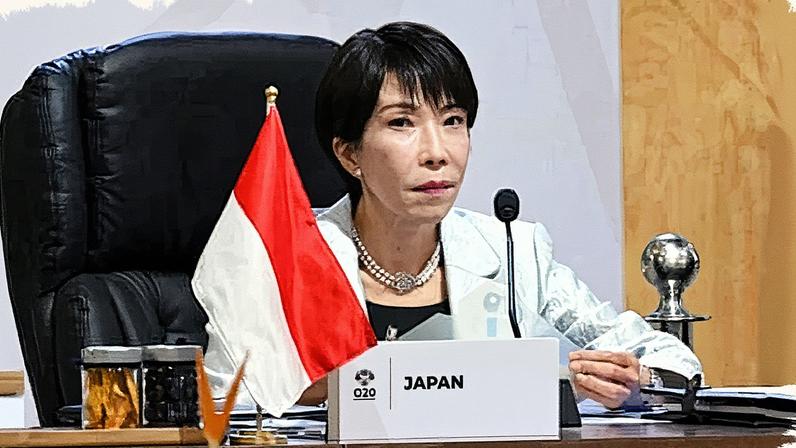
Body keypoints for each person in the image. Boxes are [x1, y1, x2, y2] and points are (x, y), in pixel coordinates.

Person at [305, 21, 701, 409]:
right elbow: (244, 384)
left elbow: (675, 362)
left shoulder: (514, 252)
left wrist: (637, 380)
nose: (437, 152)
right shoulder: (290, 258)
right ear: (349, 153)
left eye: (452, 121)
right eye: (402, 122)